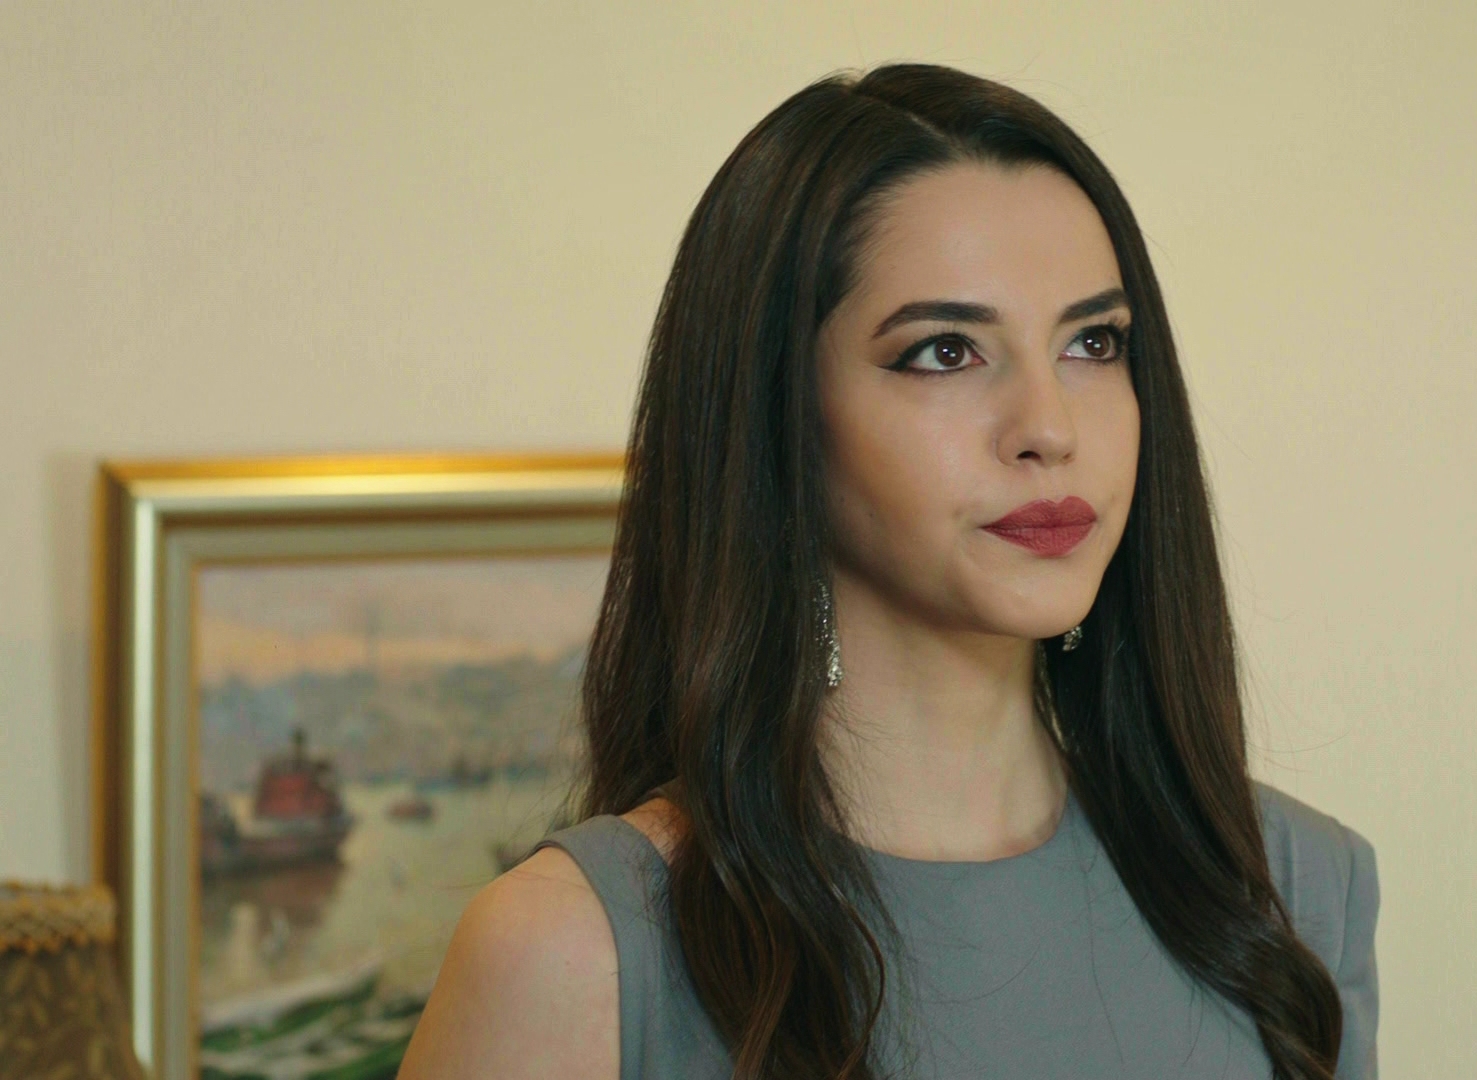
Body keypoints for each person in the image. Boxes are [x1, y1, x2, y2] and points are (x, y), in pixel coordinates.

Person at [397, 63, 1379, 1080]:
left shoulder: (1294, 888)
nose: (1049, 427)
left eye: (1094, 342)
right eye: (946, 352)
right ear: (776, 413)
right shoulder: (576, 952)